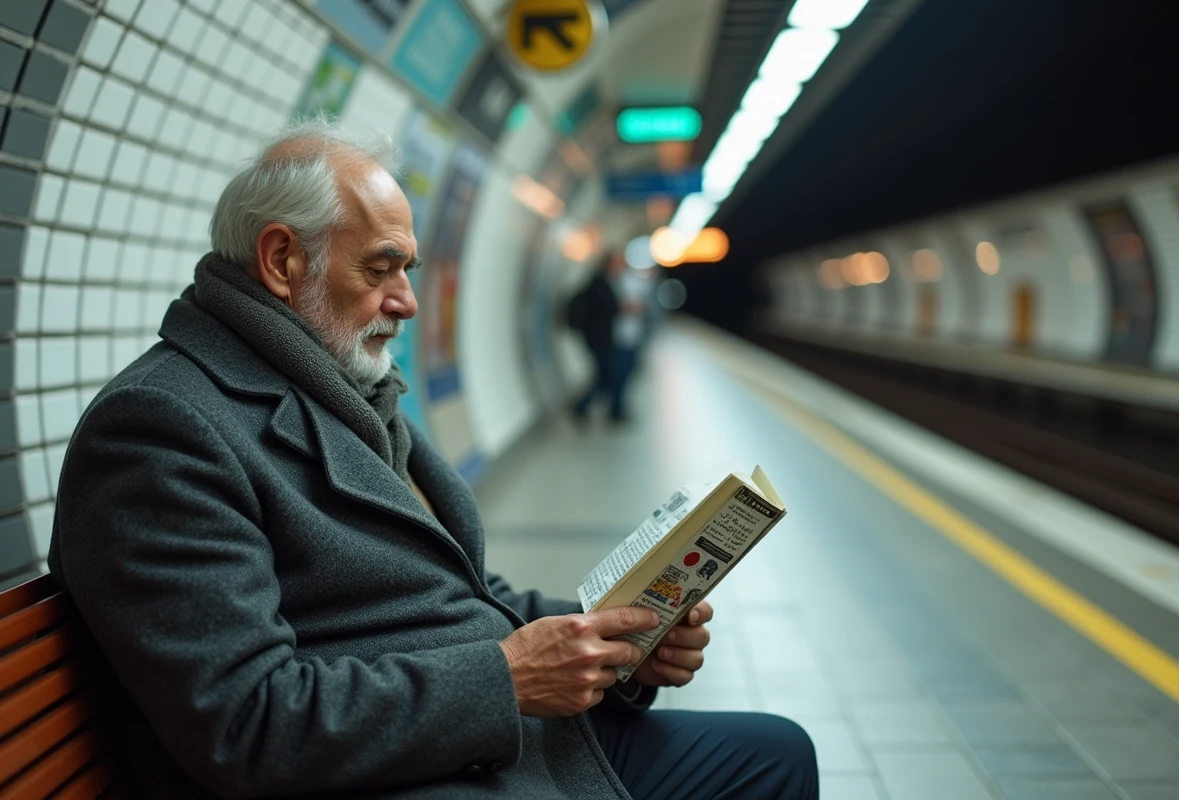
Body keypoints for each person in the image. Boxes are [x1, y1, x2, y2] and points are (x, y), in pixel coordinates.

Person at [48, 119, 817, 800]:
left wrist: (611, 642)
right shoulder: (162, 428)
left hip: (466, 742)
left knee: (777, 753)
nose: (407, 300)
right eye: (381, 268)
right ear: (282, 260)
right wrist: (507, 679)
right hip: (391, 772)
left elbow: (464, 593)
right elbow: (244, 723)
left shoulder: (343, 393)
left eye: (408, 270)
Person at [572, 252, 642, 423]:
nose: (621, 267)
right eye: (618, 263)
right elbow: (603, 309)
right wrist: (623, 308)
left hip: (606, 338)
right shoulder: (599, 283)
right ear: (609, 264)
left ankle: (608, 408)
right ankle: (584, 405)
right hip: (600, 339)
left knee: (607, 374)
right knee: (606, 374)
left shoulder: (609, 282)